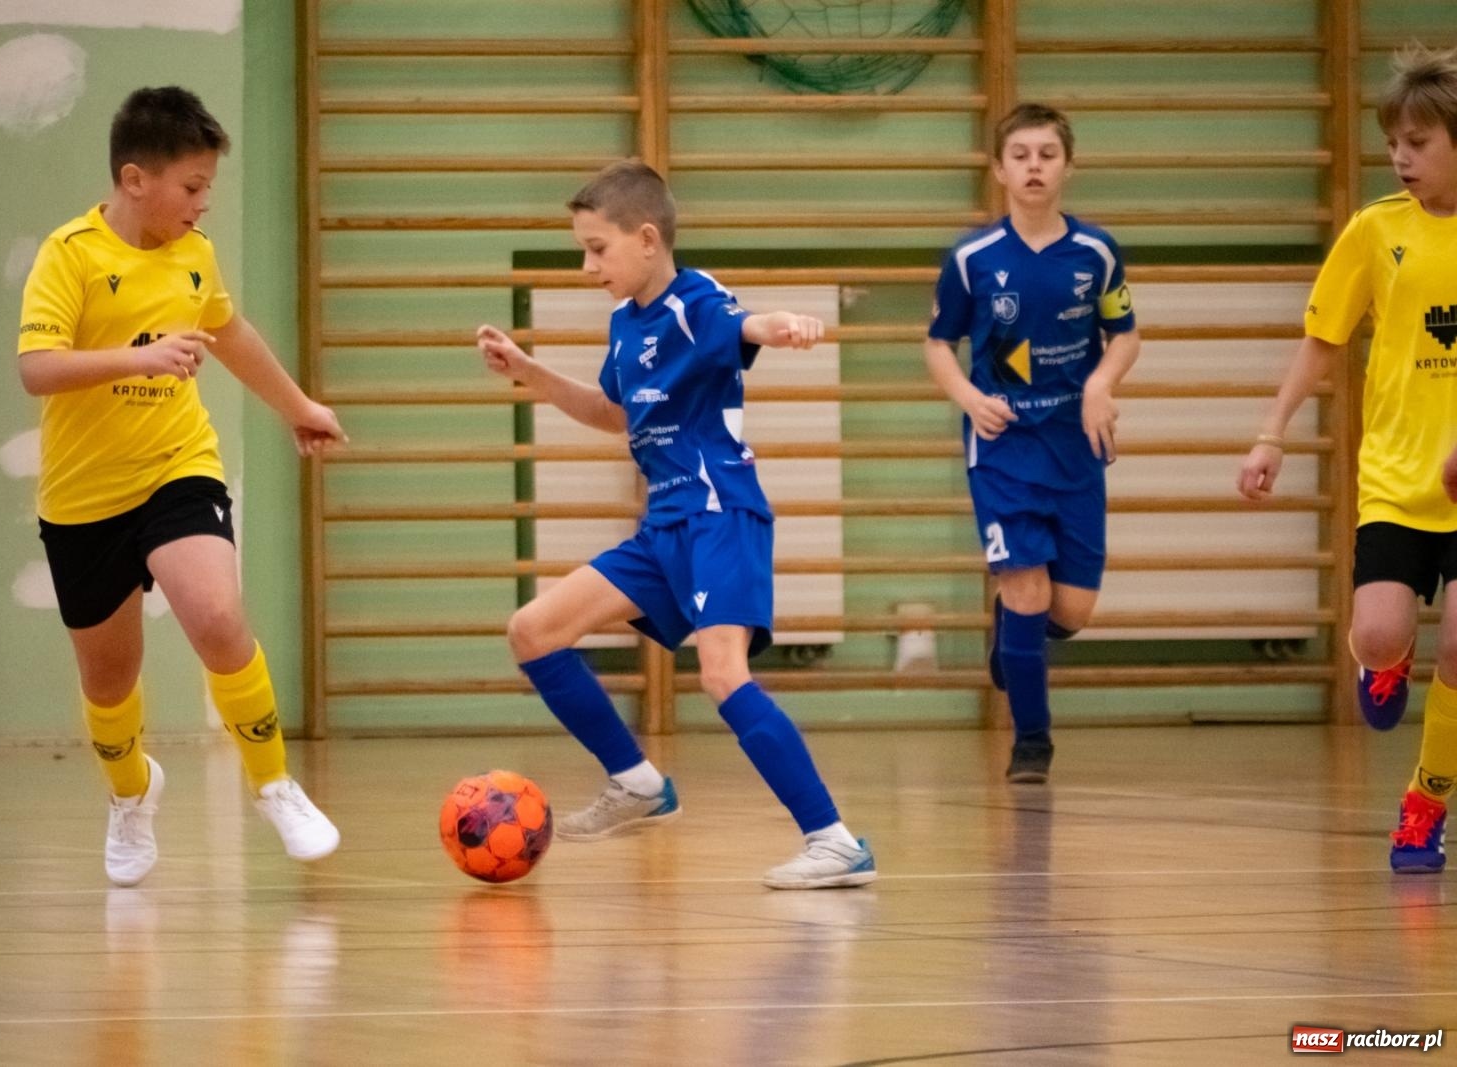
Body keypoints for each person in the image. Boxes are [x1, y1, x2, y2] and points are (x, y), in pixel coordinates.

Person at [476, 160, 876, 890]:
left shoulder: (694, 299)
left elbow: (742, 324)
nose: (587, 266)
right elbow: (613, 413)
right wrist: (529, 370)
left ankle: (834, 839)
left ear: (647, 239)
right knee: (533, 630)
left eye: (597, 248)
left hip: (719, 511)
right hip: (665, 524)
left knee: (723, 674)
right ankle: (636, 782)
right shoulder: (625, 325)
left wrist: (781, 325)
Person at [17, 87, 345, 886]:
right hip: (83, 497)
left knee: (218, 616)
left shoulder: (195, 255)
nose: (204, 202)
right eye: (193, 186)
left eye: (208, 186)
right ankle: (131, 794)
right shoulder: (71, 253)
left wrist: (298, 406)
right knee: (109, 679)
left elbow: (229, 332)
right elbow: (37, 368)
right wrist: (140, 356)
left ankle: (274, 783)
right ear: (136, 179)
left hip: (176, 465)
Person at [1239, 45, 1457, 873]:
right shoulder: (1376, 230)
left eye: (1418, 143)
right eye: (1393, 142)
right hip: (1398, 479)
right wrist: (1272, 432)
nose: (1400, 157)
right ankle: (1387, 659)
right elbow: (1323, 339)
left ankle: (1425, 804)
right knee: (1378, 631)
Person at [925, 103, 1142, 784]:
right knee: (1025, 588)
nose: (1034, 167)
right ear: (999, 169)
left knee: (1069, 610)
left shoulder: (1096, 252)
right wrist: (969, 398)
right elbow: (938, 344)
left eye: (1047, 154)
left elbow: (1125, 334)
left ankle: (1013, 639)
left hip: (1075, 444)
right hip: (1004, 447)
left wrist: (1101, 382)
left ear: (1068, 166)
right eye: (1020, 155)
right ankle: (1032, 742)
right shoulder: (972, 259)